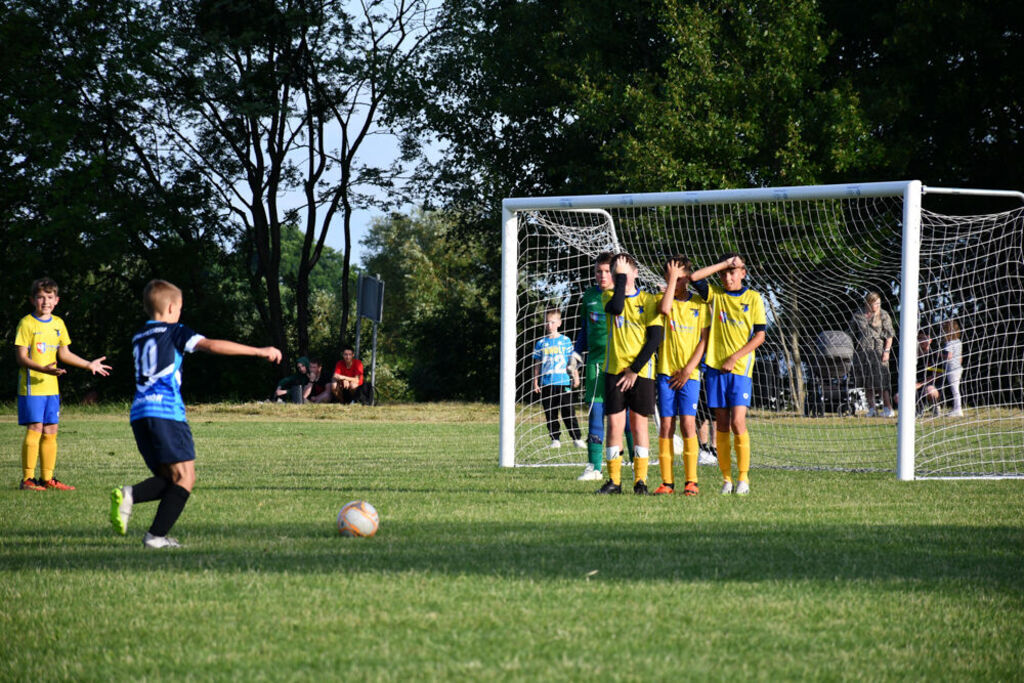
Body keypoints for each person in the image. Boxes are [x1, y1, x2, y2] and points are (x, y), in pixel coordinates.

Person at [110, 279, 281, 548]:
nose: (180, 314)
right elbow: (211, 345)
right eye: (179, 309)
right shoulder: (175, 331)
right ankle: (154, 535)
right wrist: (259, 351)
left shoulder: (139, 336)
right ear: (169, 308)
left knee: (170, 479)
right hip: (165, 412)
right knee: (186, 478)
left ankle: (132, 497)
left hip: (139, 414)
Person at [14, 277, 112, 491]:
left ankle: (47, 479)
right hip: (32, 387)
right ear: (32, 300)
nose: (45, 302)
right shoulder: (27, 323)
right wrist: (43, 370)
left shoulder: (58, 323)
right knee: (35, 428)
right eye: (40, 297)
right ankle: (28, 480)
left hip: (52, 388)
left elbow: (64, 353)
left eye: (50, 297)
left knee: (51, 429)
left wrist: (89, 364)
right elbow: (21, 358)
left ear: (57, 300)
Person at [689, 254, 766, 495]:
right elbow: (694, 277)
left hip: (740, 370)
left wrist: (735, 357)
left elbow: (760, 336)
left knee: (737, 422)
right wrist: (723, 264)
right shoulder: (716, 295)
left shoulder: (753, 298)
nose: (728, 277)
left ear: (744, 273)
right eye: (725, 273)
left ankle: (743, 479)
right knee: (720, 424)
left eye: (734, 271)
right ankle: (727, 479)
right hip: (714, 368)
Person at [596, 253, 664, 495]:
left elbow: (655, 338)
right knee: (614, 426)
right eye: (616, 273)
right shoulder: (609, 296)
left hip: (641, 372)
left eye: (624, 271)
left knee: (639, 426)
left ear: (636, 273)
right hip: (614, 371)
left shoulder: (649, 300)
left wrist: (634, 370)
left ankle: (640, 481)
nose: (618, 276)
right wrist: (620, 279)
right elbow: (616, 308)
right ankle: (614, 481)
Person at [572, 252, 634, 481]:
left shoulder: (624, 296)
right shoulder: (589, 296)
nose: (602, 275)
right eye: (598, 271)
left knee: (626, 418)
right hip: (596, 365)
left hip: (620, 365)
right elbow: (583, 330)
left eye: (607, 271)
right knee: (595, 414)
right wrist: (576, 355)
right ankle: (594, 467)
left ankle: (636, 463)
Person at [653, 257, 709, 496]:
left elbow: (704, 341)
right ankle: (667, 482)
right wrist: (672, 281)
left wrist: (688, 370)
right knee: (666, 425)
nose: (673, 280)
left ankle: (691, 481)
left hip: (690, 374)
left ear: (688, 278)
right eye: (669, 276)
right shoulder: (661, 299)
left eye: (678, 275)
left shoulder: (700, 304)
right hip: (666, 372)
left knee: (688, 424)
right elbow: (664, 310)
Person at [532, 308, 584, 449]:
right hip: (547, 383)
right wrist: (535, 382)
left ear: (559, 323)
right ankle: (555, 439)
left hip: (563, 382)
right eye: (547, 322)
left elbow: (571, 361)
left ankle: (576, 438)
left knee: (568, 410)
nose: (550, 325)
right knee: (550, 412)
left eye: (552, 322)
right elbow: (537, 364)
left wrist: (576, 377)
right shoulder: (541, 343)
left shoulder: (565, 341)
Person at [850, 292, 896, 417]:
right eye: (874, 303)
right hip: (862, 351)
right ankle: (872, 409)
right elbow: (850, 334)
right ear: (868, 303)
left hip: (878, 351)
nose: (876, 306)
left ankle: (888, 408)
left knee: (881, 381)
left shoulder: (883, 315)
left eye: (878, 303)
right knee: (867, 382)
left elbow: (889, 335)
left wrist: (887, 351)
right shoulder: (858, 315)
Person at [895, 329, 942, 416]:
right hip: (916, 386)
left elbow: (938, 375)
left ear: (930, 340)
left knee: (930, 391)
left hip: (931, 385)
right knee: (898, 397)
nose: (921, 341)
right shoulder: (911, 356)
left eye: (924, 338)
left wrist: (921, 384)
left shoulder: (935, 355)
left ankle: (935, 406)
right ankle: (913, 411)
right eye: (919, 338)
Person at [941, 320, 964, 417]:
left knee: (955, 390)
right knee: (956, 389)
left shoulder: (949, 343)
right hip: (958, 368)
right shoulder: (958, 342)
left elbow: (948, 356)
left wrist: (939, 355)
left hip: (952, 369)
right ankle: (956, 408)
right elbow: (960, 358)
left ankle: (958, 409)